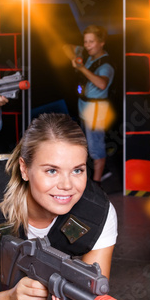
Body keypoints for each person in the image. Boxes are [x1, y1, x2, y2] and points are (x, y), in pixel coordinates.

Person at [0, 113, 118, 300]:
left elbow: (93, 295)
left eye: (77, 170)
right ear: (24, 169)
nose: (67, 185)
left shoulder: (98, 213)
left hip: (56, 299)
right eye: (52, 170)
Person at [63, 25, 115, 185]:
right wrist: (74, 58)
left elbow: (101, 84)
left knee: (95, 147)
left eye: (91, 42)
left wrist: (81, 68)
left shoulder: (106, 65)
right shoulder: (87, 54)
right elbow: (66, 47)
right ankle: (101, 171)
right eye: (85, 42)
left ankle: (97, 183)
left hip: (96, 110)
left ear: (102, 43)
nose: (87, 45)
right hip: (84, 107)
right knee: (87, 144)